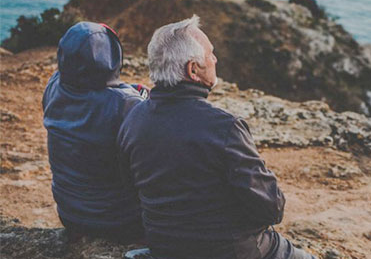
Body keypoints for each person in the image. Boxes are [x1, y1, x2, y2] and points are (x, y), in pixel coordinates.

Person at [118, 15, 315, 259]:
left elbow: (130, 188)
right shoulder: (224, 127)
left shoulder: (133, 119)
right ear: (193, 69)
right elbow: (271, 208)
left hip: (164, 246)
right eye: (210, 54)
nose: (215, 59)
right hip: (231, 250)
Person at [43, 22, 147, 243]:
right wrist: (140, 96)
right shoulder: (127, 105)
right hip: (119, 221)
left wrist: (127, 89)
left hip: (70, 214)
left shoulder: (54, 85)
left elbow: (93, 91)